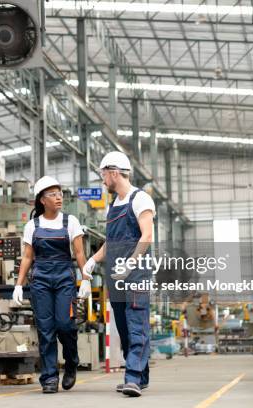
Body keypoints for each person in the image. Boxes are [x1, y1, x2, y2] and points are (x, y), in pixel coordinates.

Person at [83, 152, 155, 397]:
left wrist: (131, 264)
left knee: (136, 325)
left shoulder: (140, 199)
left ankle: (132, 377)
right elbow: (110, 243)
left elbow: (147, 236)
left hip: (136, 276)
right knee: (124, 329)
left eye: (103, 174)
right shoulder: (112, 206)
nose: (103, 180)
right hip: (117, 278)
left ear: (113, 172)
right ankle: (140, 376)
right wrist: (93, 260)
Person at [12, 176, 91, 393]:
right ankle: (49, 378)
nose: (58, 198)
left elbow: (79, 253)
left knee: (65, 325)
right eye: (53, 195)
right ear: (42, 200)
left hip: (65, 279)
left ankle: (71, 363)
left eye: (60, 194)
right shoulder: (32, 225)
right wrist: (18, 285)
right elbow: (28, 257)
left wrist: (85, 279)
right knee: (45, 330)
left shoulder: (70, 221)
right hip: (41, 281)